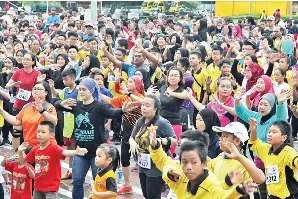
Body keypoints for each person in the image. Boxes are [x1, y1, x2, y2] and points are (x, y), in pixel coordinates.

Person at [55, 78, 137, 199]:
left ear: (92, 90)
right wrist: (61, 104)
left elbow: (112, 113)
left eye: (84, 89)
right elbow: (56, 104)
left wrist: (122, 110)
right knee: (77, 182)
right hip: (80, 152)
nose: (81, 92)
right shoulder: (76, 105)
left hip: (97, 153)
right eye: (80, 89)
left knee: (99, 183)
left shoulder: (99, 106)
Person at [148, 127, 257, 199]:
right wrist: (155, 145)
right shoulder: (178, 173)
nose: (188, 167)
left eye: (194, 161)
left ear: (203, 163)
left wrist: (237, 190)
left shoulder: (209, 182)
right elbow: (163, 161)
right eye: (184, 161)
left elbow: (221, 196)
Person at [18, 121, 88, 199]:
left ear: (51, 135)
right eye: (38, 132)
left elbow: (64, 152)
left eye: (43, 132)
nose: (40, 134)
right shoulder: (35, 149)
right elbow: (23, 162)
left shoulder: (54, 148)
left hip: (51, 189)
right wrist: (20, 152)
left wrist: (76, 152)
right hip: (37, 187)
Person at [129, 94, 177, 199]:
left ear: (156, 108)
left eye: (148, 105)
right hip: (142, 164)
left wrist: (158, 141)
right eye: (143, 105)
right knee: (146, 195)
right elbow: (131, 137)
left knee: (153, 196)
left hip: (156, 166)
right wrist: (132, 142)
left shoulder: (162, 122)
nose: (144, 107)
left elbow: (174, 141)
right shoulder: (140, 121)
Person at [249, 119, 298, 199]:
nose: (270, 134)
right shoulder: (266, 149)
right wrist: (253, 130)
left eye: (274, 132)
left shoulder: (288, 151)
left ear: (284, 137)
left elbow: (295, 161)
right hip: (272, 195)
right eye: (269, 132)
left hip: (288, 196)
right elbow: (253, 143)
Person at [0, 81, 57, 147]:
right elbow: (16, 121)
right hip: (29, 147)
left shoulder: (49, 107)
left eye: (39, 89)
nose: (36, 91)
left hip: (46, 147)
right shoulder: (27, 106)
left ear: (46, 93)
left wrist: (42, 111)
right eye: (34, 89)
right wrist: (2, 111)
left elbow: (53, 122)